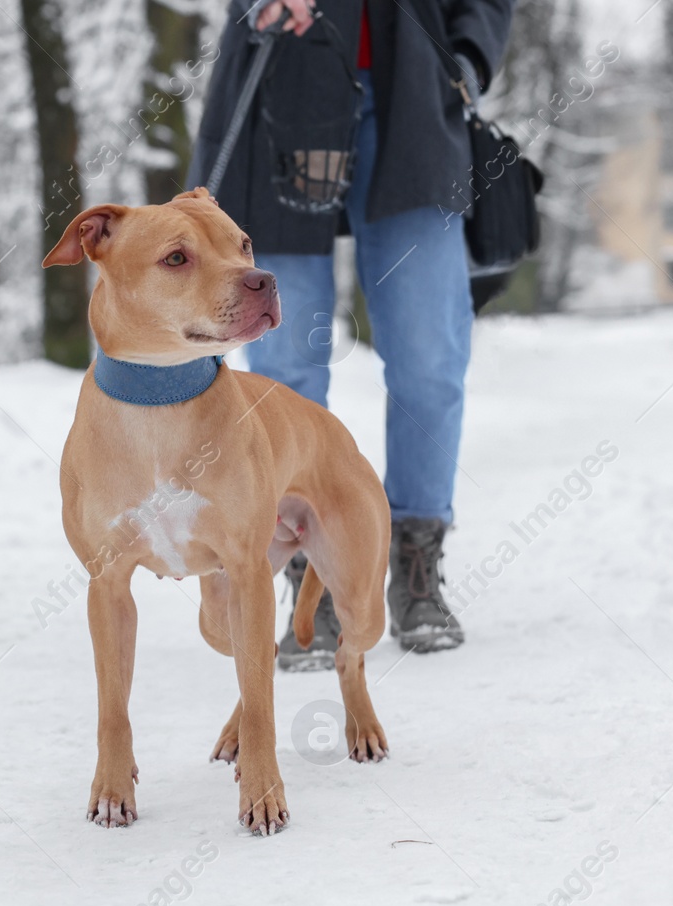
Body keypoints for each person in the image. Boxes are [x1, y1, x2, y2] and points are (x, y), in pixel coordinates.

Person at [189, 0, 513, 667]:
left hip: (415, 98)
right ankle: (314, 579)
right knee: (284, 369)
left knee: (430, 355)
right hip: (278, 91)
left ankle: (417, 566)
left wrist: (469, 60)